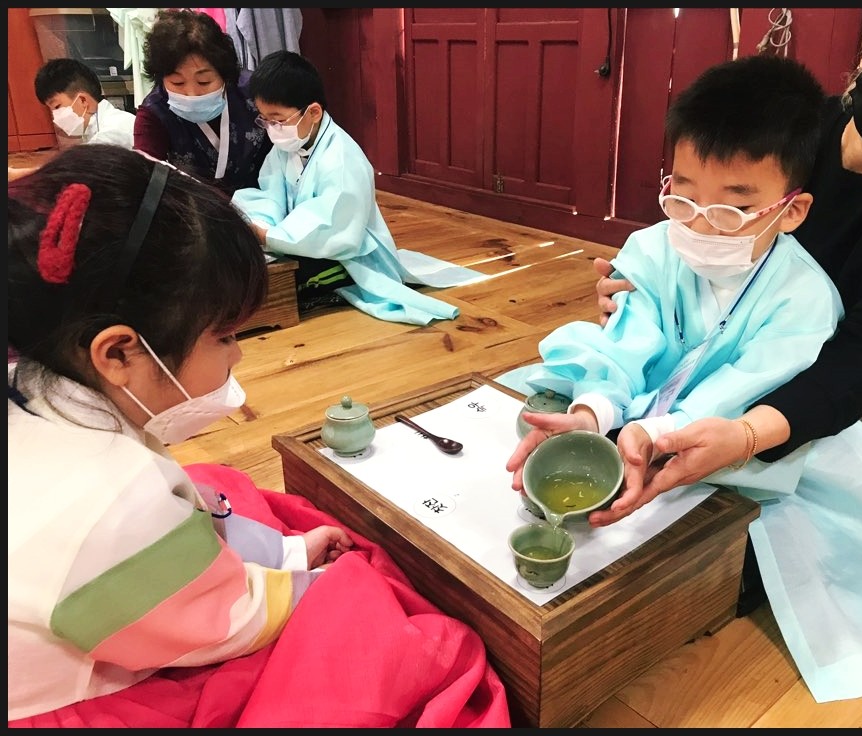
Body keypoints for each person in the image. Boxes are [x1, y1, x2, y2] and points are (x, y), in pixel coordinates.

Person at [7, 144, 510, 727]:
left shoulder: (34, 388)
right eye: (224, 337)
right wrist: (310, 583)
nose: (238, 355)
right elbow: (223, 620)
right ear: (119, 352)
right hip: (70, 699)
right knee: (389, 632)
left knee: (220, 493)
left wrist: (286, 552)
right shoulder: (111, 502)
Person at [498, 54, 862, 704]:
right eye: (684, 196)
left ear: (792, 210)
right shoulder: (655, 247)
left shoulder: (806, 298)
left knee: (756, 523)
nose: (701, 224)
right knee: (552, 405)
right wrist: (596, 408)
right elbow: (630, 336)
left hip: (735, 428)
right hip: (650, 401)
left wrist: (656, 433)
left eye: (734, 208)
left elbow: (751, 383)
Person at [593, 8, 862, 517]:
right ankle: (773, 410)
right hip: (748, 331)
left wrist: (751, 432)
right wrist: (644, 286)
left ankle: (791, 414)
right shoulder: (794, 130)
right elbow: (703, 202)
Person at [231, 50, 486, 324]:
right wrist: (261, 224)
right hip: (295, 240)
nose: (272, 128)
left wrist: (270, 236)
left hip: (346, 253)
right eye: (265, 119)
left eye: (278, 120)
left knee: (282, 284)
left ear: (313, 112)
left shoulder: (341, 157)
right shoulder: (289, 146)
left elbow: (333, 224)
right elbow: (270, 193)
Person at [133, 9, 272, 195]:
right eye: (177, 82)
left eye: (204, 81)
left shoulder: (255, 92)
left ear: (225, 76)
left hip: (263, 199)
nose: (192, 94)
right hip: (192, 206)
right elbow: (144, 179)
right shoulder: (154, 114)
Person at [7, 58, 136, 182]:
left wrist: (18, 175)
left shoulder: (115, 129)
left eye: (57, 107)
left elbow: (75, 170)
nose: (55, 117)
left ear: (83, 100)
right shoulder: (96, 127)